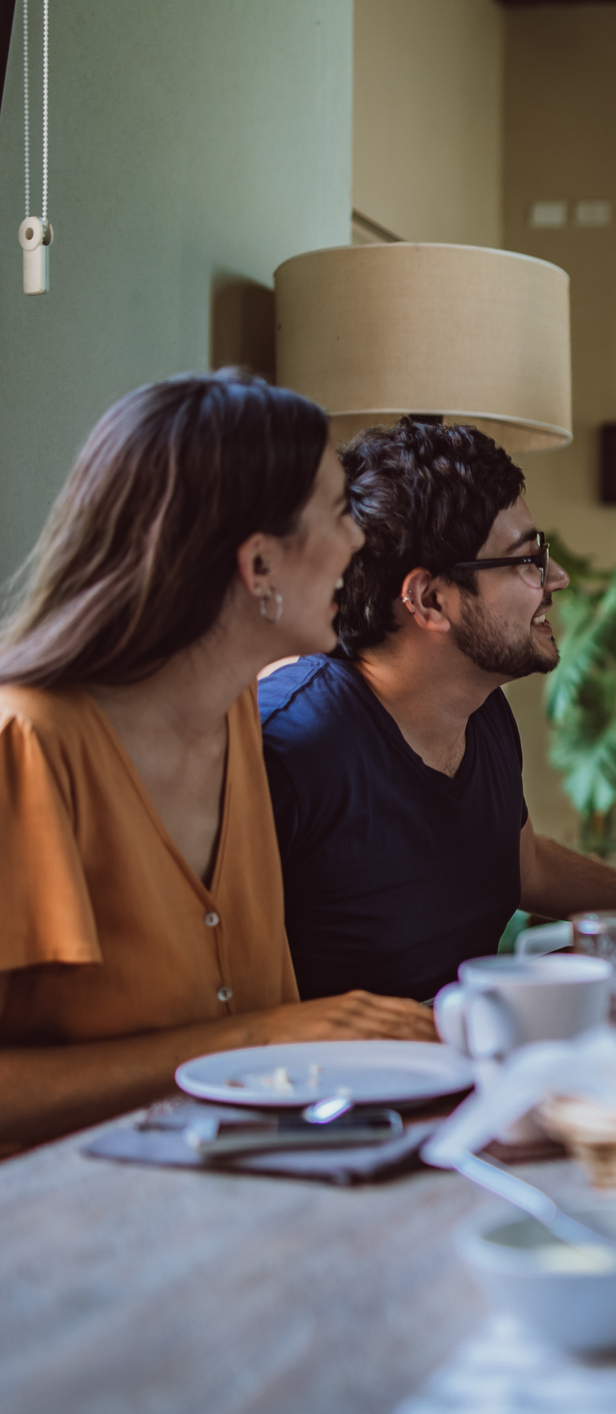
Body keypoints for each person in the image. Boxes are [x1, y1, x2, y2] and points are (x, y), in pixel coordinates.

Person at [0, 373, 434, 1153]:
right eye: (339, 512)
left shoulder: (239, 712)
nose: (360, 540)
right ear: (258, 564)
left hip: (248, 1184)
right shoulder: (25, 743)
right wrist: (262, 1038)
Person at [259, 420, 616, 1003]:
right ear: (431, 600)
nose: (555, 578)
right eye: (526, 560)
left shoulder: (481, 709)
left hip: (473, 1068)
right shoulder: (291, 744)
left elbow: (524, 865)